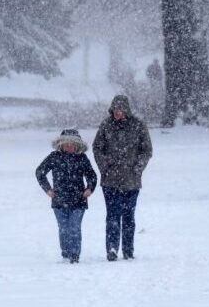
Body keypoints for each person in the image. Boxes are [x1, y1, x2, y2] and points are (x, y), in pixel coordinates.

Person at [93, 95, 152, 261]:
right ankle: (112, 249)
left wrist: (137, 168)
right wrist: (105, 166)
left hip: (131, 181)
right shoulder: (106, 125)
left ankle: (128, 250)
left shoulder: (138, 125)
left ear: (126, 109)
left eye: (120, 110)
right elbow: (97, 148)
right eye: (115, 110)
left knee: (128, 217)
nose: (117, 113)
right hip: (110, 180)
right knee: (112, 216)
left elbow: (146, 150)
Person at [35, 129, 97, 263]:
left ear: (78, 146)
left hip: (78, 200)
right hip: (59, 200)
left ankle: (75, 255)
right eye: (66, 144)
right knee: (63, 228)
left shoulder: (82, 158)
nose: (69, 147)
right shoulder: (54, 157)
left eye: (72, 144)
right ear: (61, 145)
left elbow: (92, 175)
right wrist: (48, 189)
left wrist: (89, 189)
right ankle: (65, 254)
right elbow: (40, 172)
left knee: (74, 227)